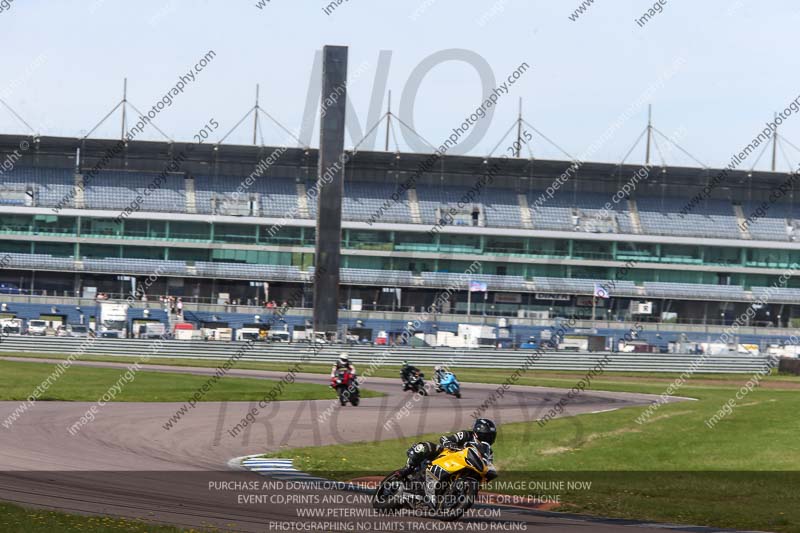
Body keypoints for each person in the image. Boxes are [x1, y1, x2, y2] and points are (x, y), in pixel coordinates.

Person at [395, 419, 497, 480]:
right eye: (486, 435)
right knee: (424, 447)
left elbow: (487, 465)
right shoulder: (467, 435)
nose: (488, 438)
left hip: (462, 468)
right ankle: (407, 468)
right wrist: (450, 444)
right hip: (447, 454)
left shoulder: (489, 452)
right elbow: (444, 438)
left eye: (490, 436)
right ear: (477, 433)